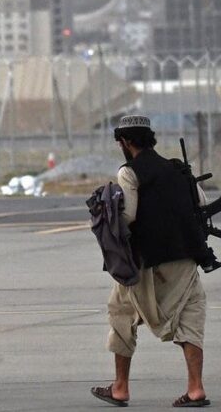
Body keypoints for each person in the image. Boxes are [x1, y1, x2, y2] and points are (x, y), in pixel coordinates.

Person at [91, 115, 213, 408]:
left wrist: (104, 212)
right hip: (186, 256)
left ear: (126, 141)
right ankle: (195, 388)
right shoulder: (177, 168)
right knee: (190, 314)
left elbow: (128, 216)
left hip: (147, 262)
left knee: (121, 312)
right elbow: (203, 203)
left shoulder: (129, 172)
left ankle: (120, 388)